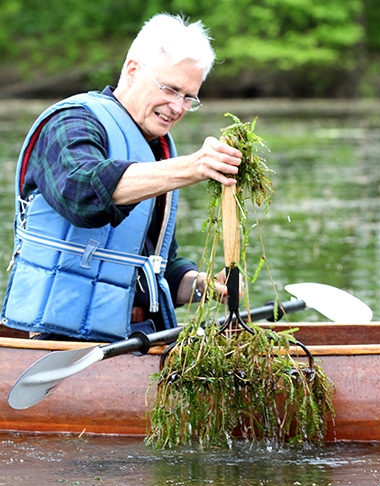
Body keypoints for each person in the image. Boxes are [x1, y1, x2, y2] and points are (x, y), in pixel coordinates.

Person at [1, 13, 242, 342]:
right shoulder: (73, 122)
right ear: (132, 69)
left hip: (140, 337)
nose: (177, 107)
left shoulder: (159, 151)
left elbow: (158, 269)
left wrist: (201, 285)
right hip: (59, 341)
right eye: (170, 89)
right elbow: (83, 192)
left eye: (189, 97)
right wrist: (191, 167)